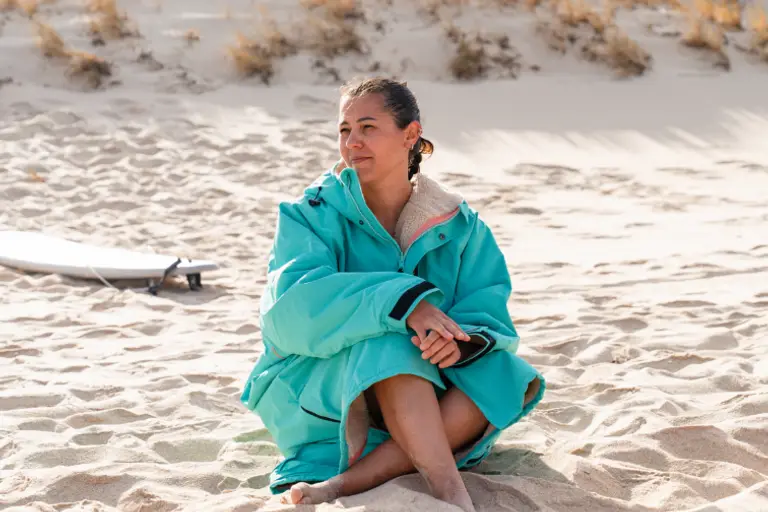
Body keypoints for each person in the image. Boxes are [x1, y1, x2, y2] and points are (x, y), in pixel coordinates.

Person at [240, 77, 545, 511]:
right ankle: (450, 491)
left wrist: (457, 344)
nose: (352, 143)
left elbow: (488, 311)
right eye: (345, 130)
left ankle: (343, 484)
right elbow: (289, 313)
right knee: (391, 343)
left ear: (410, 135)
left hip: (428, 394)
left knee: (504, 371)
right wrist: (404, 304)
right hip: (324, 388)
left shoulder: (460, 225)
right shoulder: (310, 215)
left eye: (368, 127)